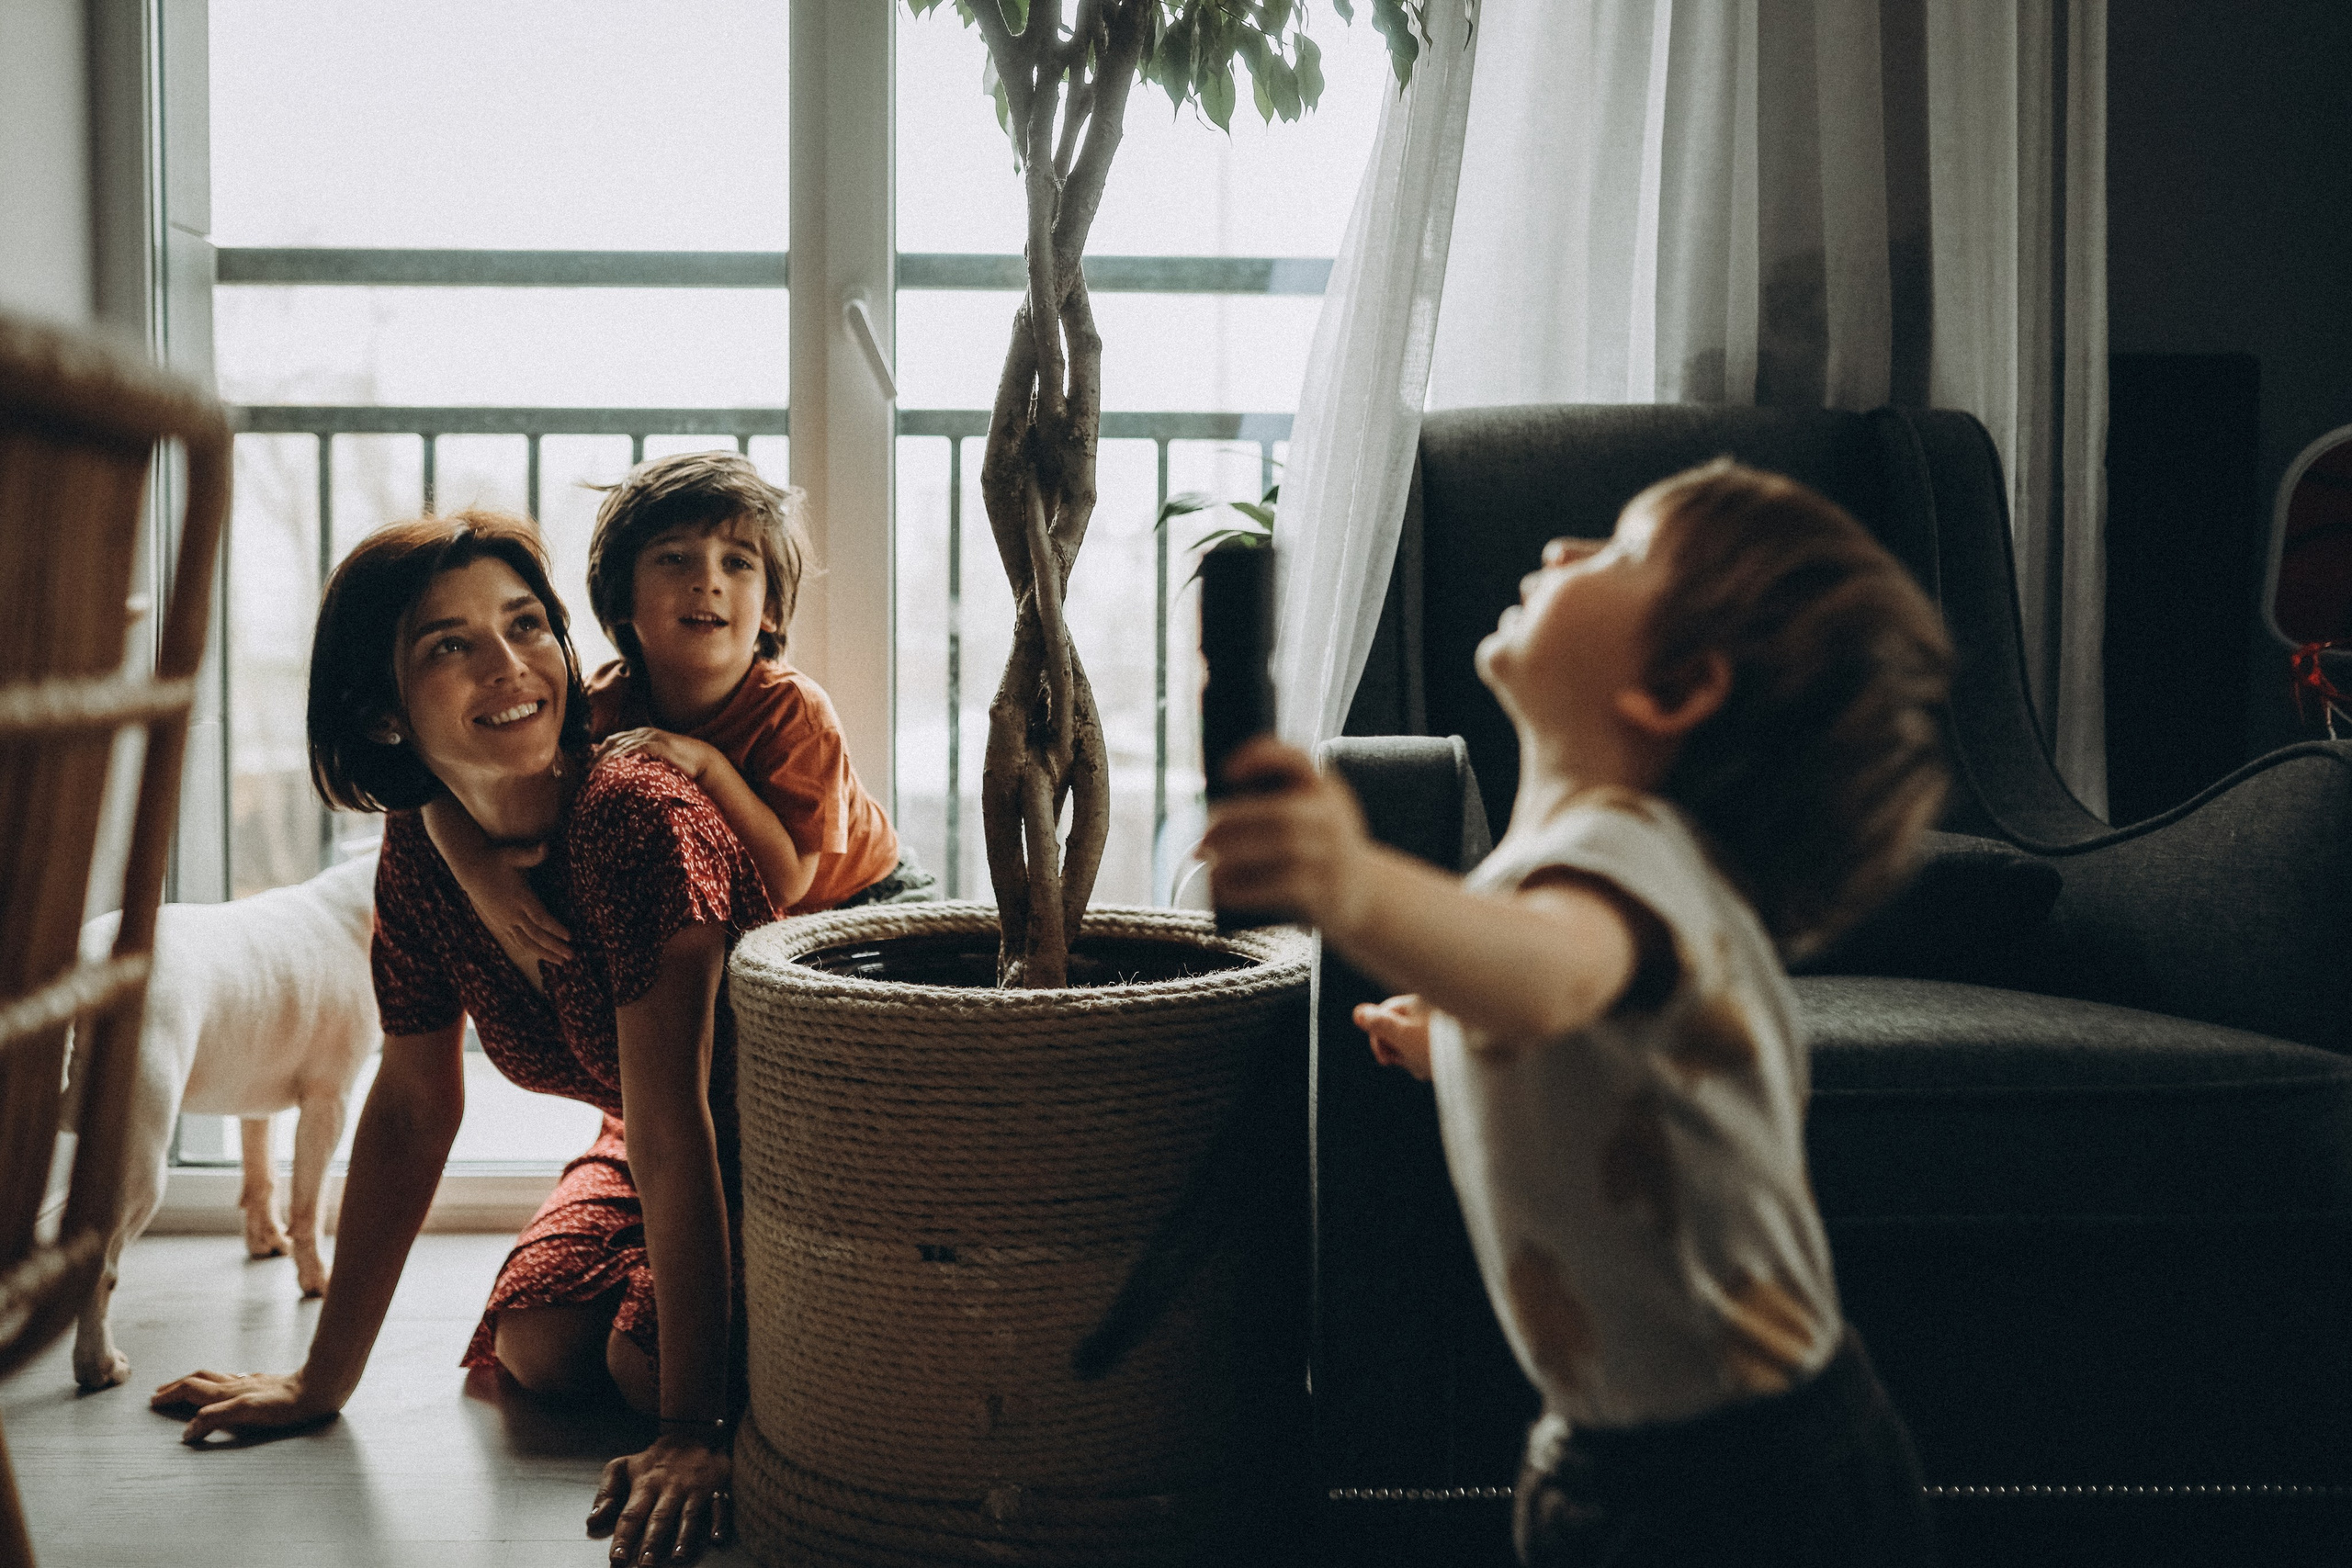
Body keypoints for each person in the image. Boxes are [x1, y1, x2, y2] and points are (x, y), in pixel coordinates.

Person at [1203, 459, 1951, 1567]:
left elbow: (1554, 977)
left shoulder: (1618, 855)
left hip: (1739, 1486)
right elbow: (1577, 1019)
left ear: (1676, 688)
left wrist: (1353, 884)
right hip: (1643, 1447)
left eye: (1618, 551)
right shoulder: (1615, 870)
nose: (1561, 551)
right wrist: (1455, 1032)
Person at [152, 511, 768, 1568]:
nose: (510, 666)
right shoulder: (422, 850)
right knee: (538, 1344)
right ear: (381, 712)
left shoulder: (634, 818)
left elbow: (679, 1125)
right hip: (648, 1147)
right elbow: (411, 1102)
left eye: (528, 626)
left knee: (635, 1366)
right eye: (451, 644)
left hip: (786, 1157)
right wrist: (321, 1381)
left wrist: (689, 1434)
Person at [425, 452, 923, 971]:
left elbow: (789, 881)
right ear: (622, 599)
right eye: (674, 558)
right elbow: (438, 786)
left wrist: (706, 764)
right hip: (748, 923)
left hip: (866, 904)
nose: (707, 580)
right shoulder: (600, 704)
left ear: (771, 610)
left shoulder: (795, 712)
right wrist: (478, 872)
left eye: (738, 562)